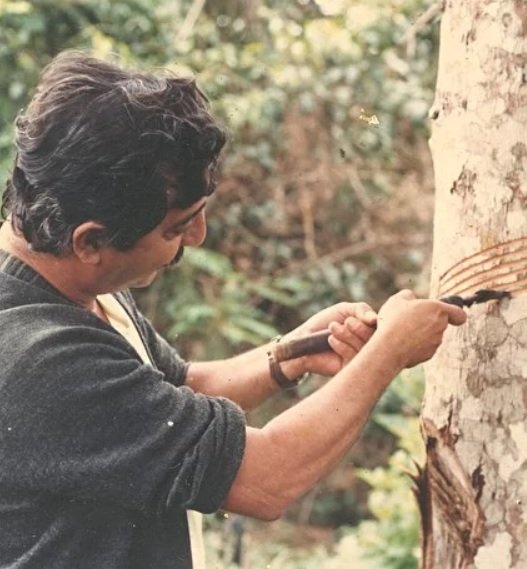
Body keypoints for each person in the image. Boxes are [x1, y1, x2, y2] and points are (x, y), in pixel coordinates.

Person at [0, 50, 467, 569]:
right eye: (176, 228)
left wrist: (287, 355)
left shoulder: (75, 281)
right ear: (90, 240)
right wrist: (388, 352)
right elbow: (266, 481)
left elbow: (175, 391)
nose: (197, 238)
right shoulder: (38, 356)